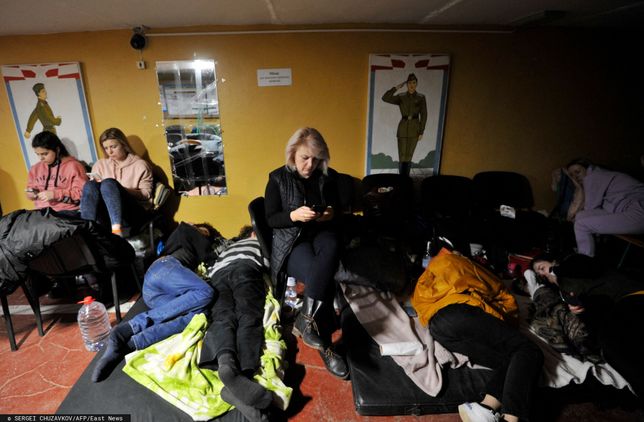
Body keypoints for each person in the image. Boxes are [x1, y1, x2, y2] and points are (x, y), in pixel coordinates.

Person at [412, 246, 543, 422]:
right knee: (528, 349)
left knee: (513, 359)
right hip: (458, 313)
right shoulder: (456, 261)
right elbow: (495, 288)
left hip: (438, 329)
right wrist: (509, 321)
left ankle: (486, 408)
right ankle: (512, 419)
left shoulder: (427, 276)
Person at [264, 127, 348, 379]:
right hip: (293, 241)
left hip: (322, 234)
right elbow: (270, 219)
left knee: (331, 248)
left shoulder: (327, 177)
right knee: (319, 273)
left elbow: (340, 211)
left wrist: (332, 214)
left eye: (316, 158)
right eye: (305, 158)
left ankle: (306, 318)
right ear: (292, 154)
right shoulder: (278, 178)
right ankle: (326, 347)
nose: (310, 165)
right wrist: (293, 215)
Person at [92, 221, 221, 382]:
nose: (205, 237)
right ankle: (127, 328)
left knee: (199, 315)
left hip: (153, 292)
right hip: (164, 268)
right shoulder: (187, 231)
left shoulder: (185, 245)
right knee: (206, 292)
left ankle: (130, 344)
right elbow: (210, 255)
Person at [531, 253, 644, 405]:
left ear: (552, 261)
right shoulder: (563, 293)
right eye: (539, 274)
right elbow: (596, 317)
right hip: (613, 313)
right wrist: (582, 311)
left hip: (630, 296)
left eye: (541, 268)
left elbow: (591, 268)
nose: (542, 273)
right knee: (610, 348)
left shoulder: (572, 261)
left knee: (612, 341)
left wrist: (555, 269)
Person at [198, 228, 272, 422]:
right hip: (246, 269)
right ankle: (241, 380)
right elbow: (273, 264)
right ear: (254, 233)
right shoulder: (260, 243)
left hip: (217, 276)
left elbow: (208, 265)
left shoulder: (225, 249)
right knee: (248, 315)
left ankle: (226, 364)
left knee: (222, 317)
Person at [80, 127, 153, 236]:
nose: (109, 151)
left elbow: (146, 195)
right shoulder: (100, 164)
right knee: (90, 185)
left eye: (113, 147)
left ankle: (117, 230)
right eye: (106, 148)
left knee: (109, 183)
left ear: (123, 145)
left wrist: (119, 189)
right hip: (106, 214)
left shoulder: (140, 165)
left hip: (132, 214)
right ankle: (87, 229)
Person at [565, 158, 644, 256]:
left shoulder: (593, 177)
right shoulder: (597, 175)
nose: (576, 177)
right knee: (581, 216)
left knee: (581, 225)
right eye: (572, 176)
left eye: (577, 172)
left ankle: (583, 262)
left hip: (639, 209)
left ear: (587, 168)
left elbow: (591, 207)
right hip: (624, 208)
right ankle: (589, 252)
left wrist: (579, 187)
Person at [26, 131, 88, 216]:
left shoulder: (74, 166)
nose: (41, 158)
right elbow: (30, 189)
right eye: (38, 154)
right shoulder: (35, 169)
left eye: (45, 154)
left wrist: (55, 194)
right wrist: (31, 194)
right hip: (40, 213)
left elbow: (81, 196)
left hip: (66, 213)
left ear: (57, 150)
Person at [381, 73, 428, 177]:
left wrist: (421, 131)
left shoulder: (421, 97)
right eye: (410, 83)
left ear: (417, 84)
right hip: (402, 129)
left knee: (409, 155)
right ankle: (402, 179)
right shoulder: (401, 97)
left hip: (414, 129)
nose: (412, 85)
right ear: (407, 84)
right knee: (402, 155)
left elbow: (424, 115)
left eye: (414, 82)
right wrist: (396, 88)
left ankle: (406, 178)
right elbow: (385, 98)